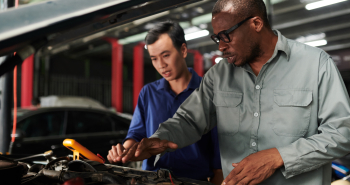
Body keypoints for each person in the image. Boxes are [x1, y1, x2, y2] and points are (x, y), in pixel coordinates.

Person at [116, 0, 350, 184]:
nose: (220, 46)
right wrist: (161, 138)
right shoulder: (219, 76)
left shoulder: (316, 64)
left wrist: (278, 157)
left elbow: (343, 133)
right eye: (216, 38)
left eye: (226, 35)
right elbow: (189, 120)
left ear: (256, 24)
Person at [107, 21, 223, 184]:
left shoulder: (208, 93)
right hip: (152, 180)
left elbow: (219, 153)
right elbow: (137, 134)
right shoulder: (148, 93)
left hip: (193, 181)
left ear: (183, 50)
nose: (161, 65)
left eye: (166, 55)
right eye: (154, 58)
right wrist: (124, 151)